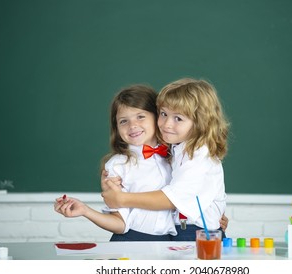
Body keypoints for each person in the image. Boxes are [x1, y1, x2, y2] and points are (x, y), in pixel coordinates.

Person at [101, 78, 229, 241]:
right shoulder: (175, 149)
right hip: (177, 231)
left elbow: (172, 198)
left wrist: (121, 199)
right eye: (163, 114)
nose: (166, 124)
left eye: (178, 118)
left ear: (200, 122)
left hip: (196, 232)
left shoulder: (199, 154)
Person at [54, 84, 177, 241]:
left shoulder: (176, 156)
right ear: (116, 127)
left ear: (158, 117)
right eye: (123, 121)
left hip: (170, 242)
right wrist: (85, 210)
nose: (132, 125)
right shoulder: (117, 166)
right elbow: (120, 223)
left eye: (140, 116)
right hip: (133, 241)